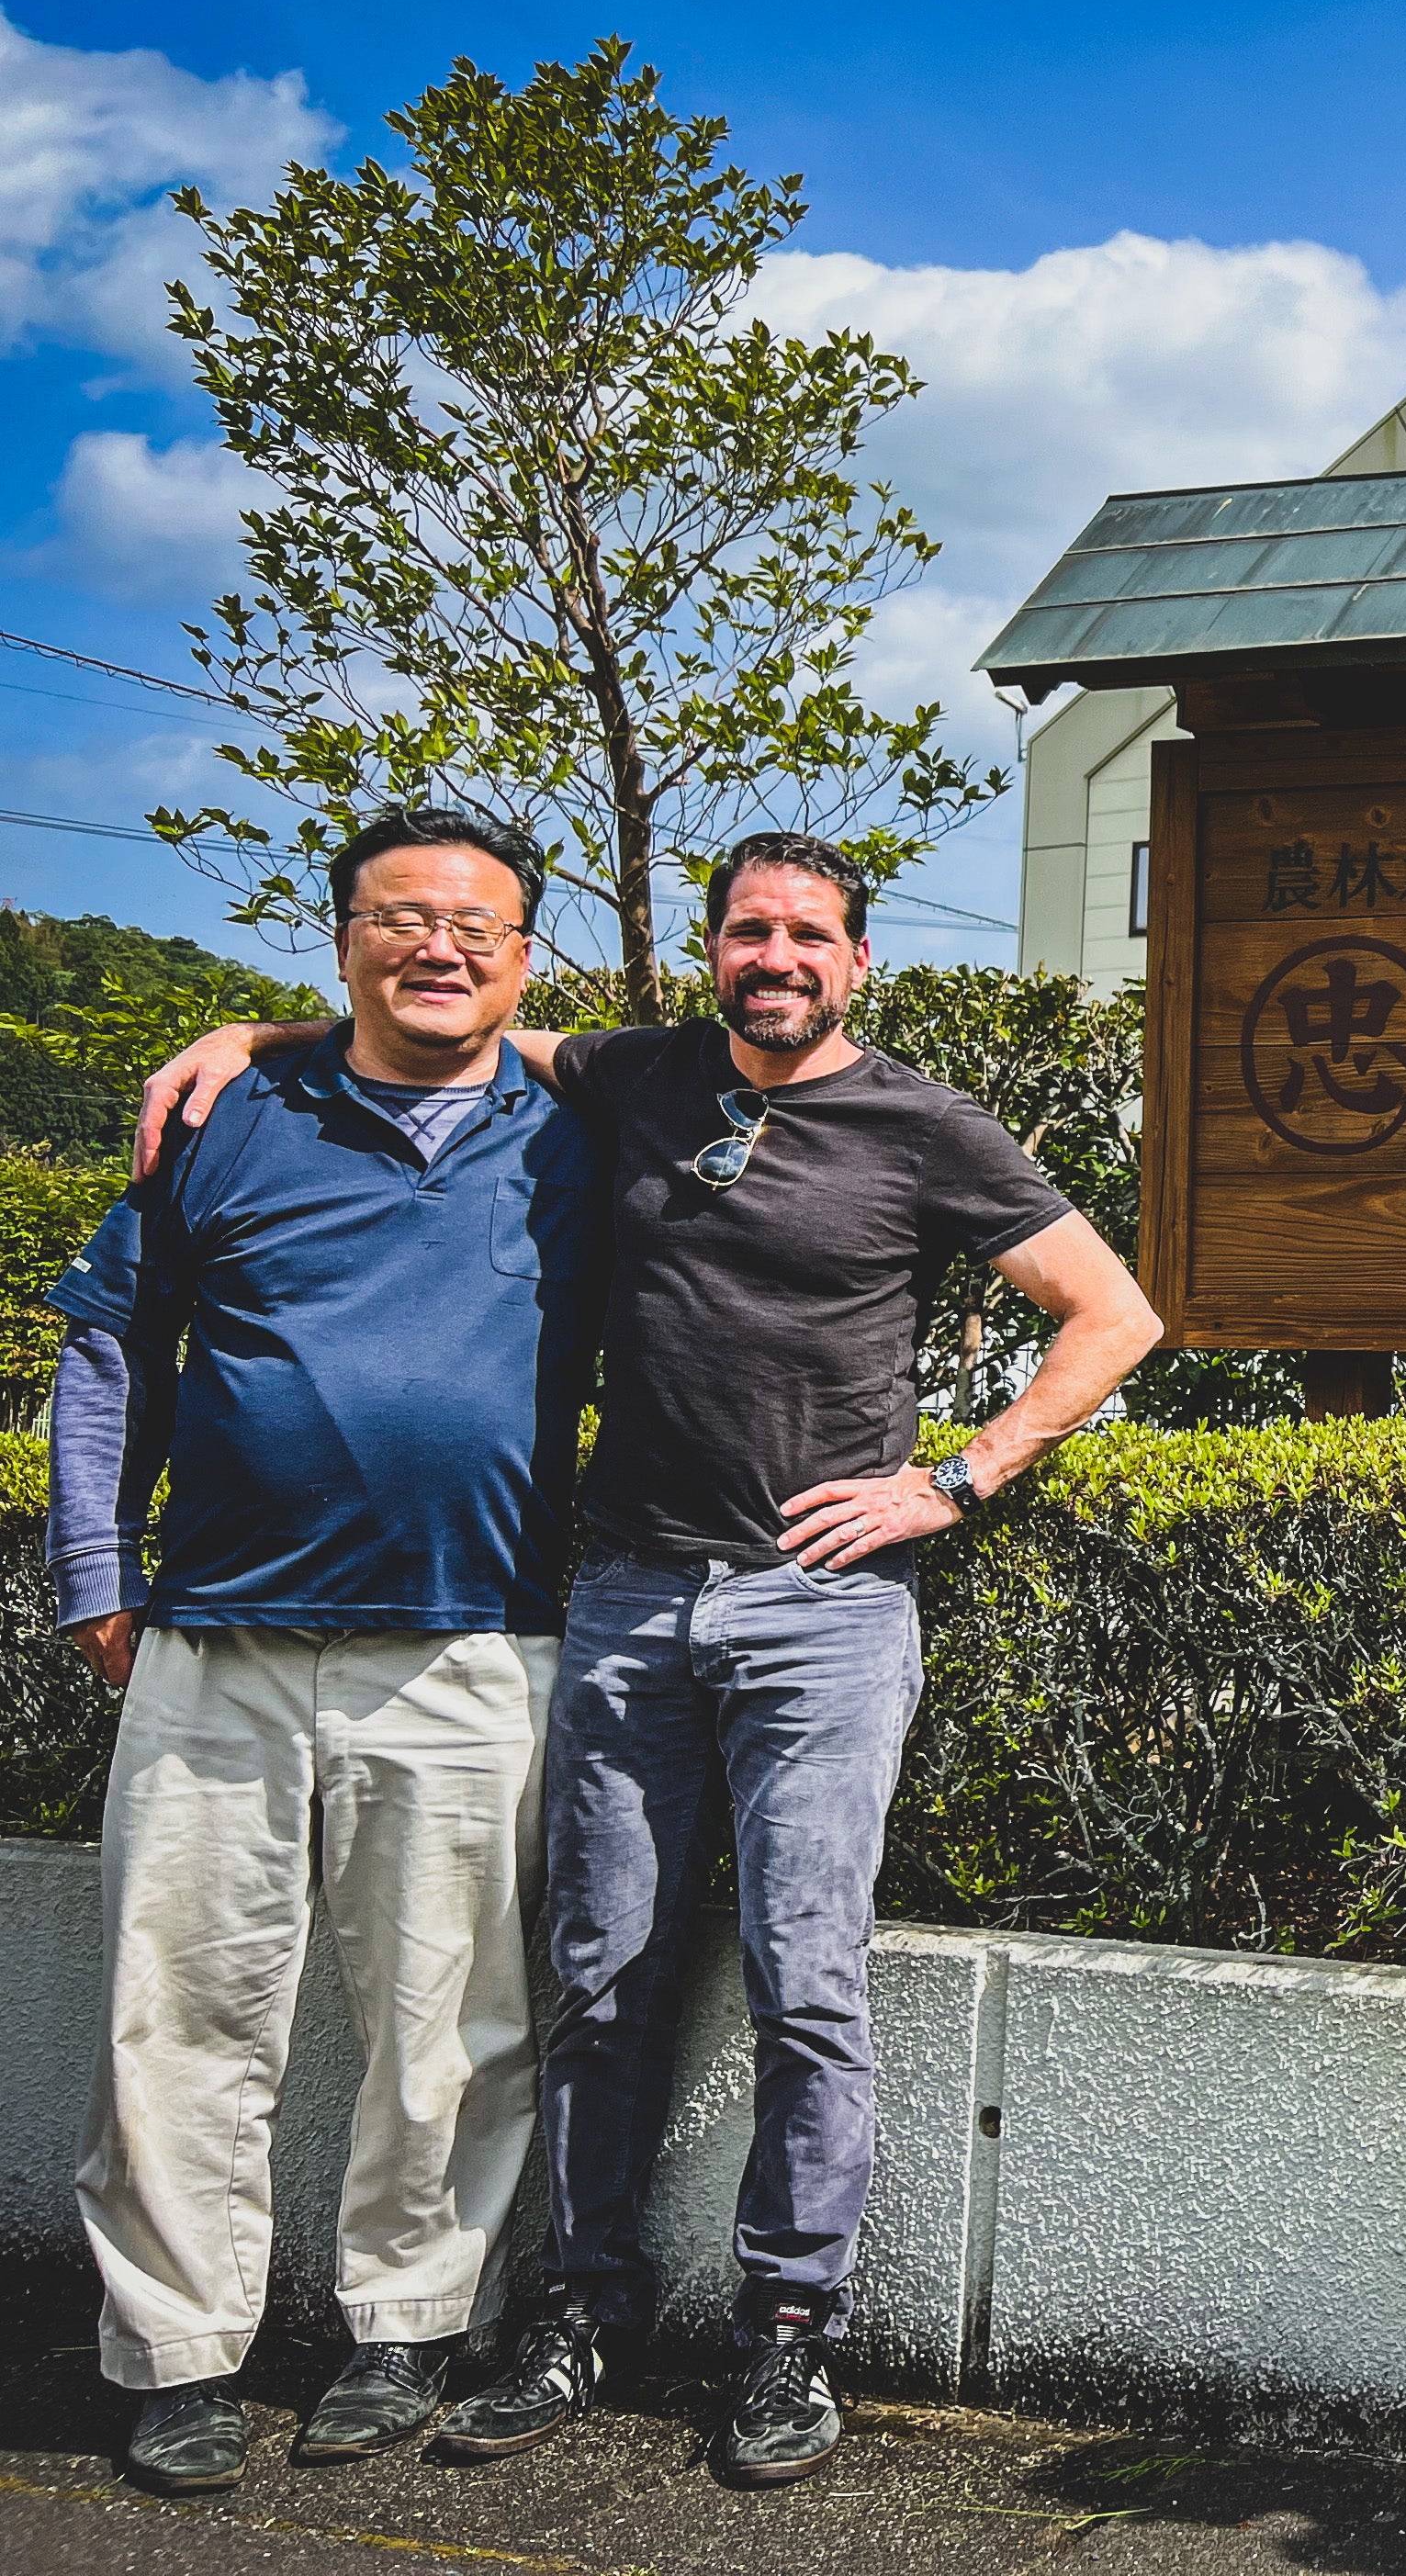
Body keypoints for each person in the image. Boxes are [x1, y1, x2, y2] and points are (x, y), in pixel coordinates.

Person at [142, 828, 1164, 2489]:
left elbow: (1113, 1312)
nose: (777, 957)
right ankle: (578, 2307)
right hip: (625, 1599)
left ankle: (787, 2333)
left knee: (803, 1977)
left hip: (820, 1614)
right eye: (750, 931)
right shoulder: (639, 1074)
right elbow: (447, 1023)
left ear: (856, 960)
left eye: (808, 936)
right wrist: (251, 1040)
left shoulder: (922, 1126)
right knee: (599, 1976)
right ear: (711, 949)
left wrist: (952, 1481)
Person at [50, 807, 598, 2492]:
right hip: (217, 1640)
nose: (439, 948)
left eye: (477, 927)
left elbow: (739, 1062)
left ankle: (409, 2329)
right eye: (400, 919)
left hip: (472, 1648)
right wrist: (91, 1573)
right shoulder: (223, 1112)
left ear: (525, 955)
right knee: (181, 2012)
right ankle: (176, 2353)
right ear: (340, 934)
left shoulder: (583, 1130)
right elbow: (107, 1356)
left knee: (452, 2024)